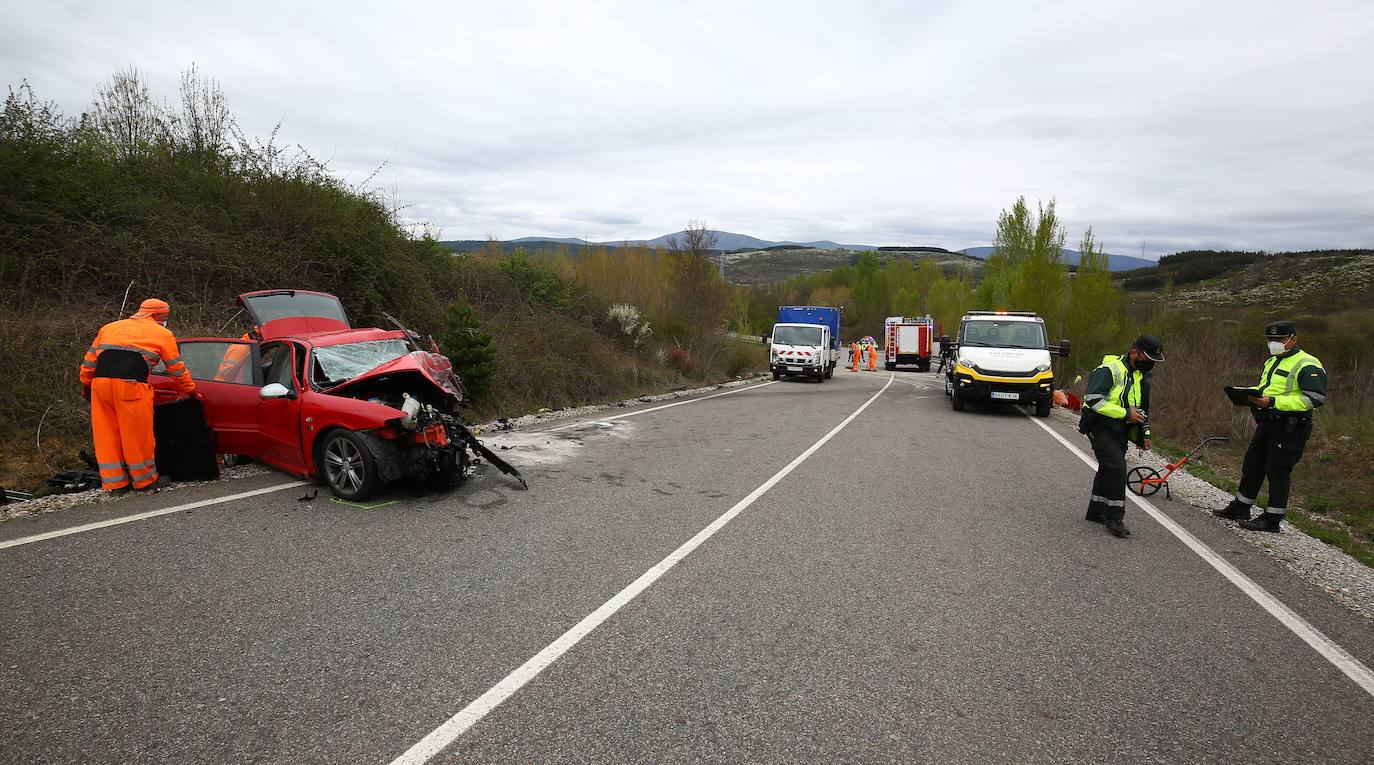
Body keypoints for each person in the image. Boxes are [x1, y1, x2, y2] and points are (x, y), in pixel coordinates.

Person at [1213, 321, 1327, 532]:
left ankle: (1272, 519)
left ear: (1293, 338)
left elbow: (1314, 399)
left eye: (1279, 339)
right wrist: (1248, 394)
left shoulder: (1307, 363)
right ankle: (1241, 506)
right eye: (1271, 339)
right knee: (1253, 464)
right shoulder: (1272, 361)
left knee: (1278, 469)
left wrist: (1273, 403)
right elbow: (1267, 388)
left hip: (1291, 426)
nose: (1274, 343)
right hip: (1268, 421)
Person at [79, 298, 197, 492]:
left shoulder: (109, 328)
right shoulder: (162, 333)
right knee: (137, 434)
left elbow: (89, 363)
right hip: (131, 385)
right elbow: (176, 369)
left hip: (99, 385)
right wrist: (191, 390)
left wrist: (86, 385)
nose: (165, 320)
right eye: (165, 316)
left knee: (106, 434)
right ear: (156, 315)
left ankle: (115, 484)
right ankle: (145, 481)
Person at [1080, 334, 1165, 538]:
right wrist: (1126, 413)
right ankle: (1114, 517)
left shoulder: (1141, 377)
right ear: (1134, 351)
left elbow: (1141, 409)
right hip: (1099, 425)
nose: (1150, 364)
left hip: (1121, 430)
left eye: (1154, 361)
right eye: (1147, 359)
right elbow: (1093, 400)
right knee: (1117, 467)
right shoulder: (1109, 370)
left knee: (1108, 467)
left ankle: (1096, 510)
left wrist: (1145, 432)